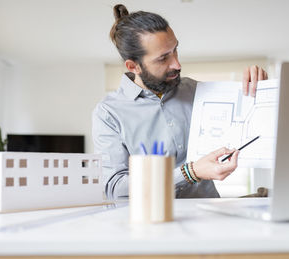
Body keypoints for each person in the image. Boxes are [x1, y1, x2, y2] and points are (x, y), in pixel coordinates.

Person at [92, 4, 268, 200]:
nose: (177, 64)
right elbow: (114, 187)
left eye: (175, 50)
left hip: (208, 218)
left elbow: (253, 131)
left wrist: (260, 89)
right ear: (134, 66)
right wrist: (189, 172)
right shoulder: (109, 113)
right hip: (150, 222)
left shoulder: (196, 91)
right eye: (163, 58)